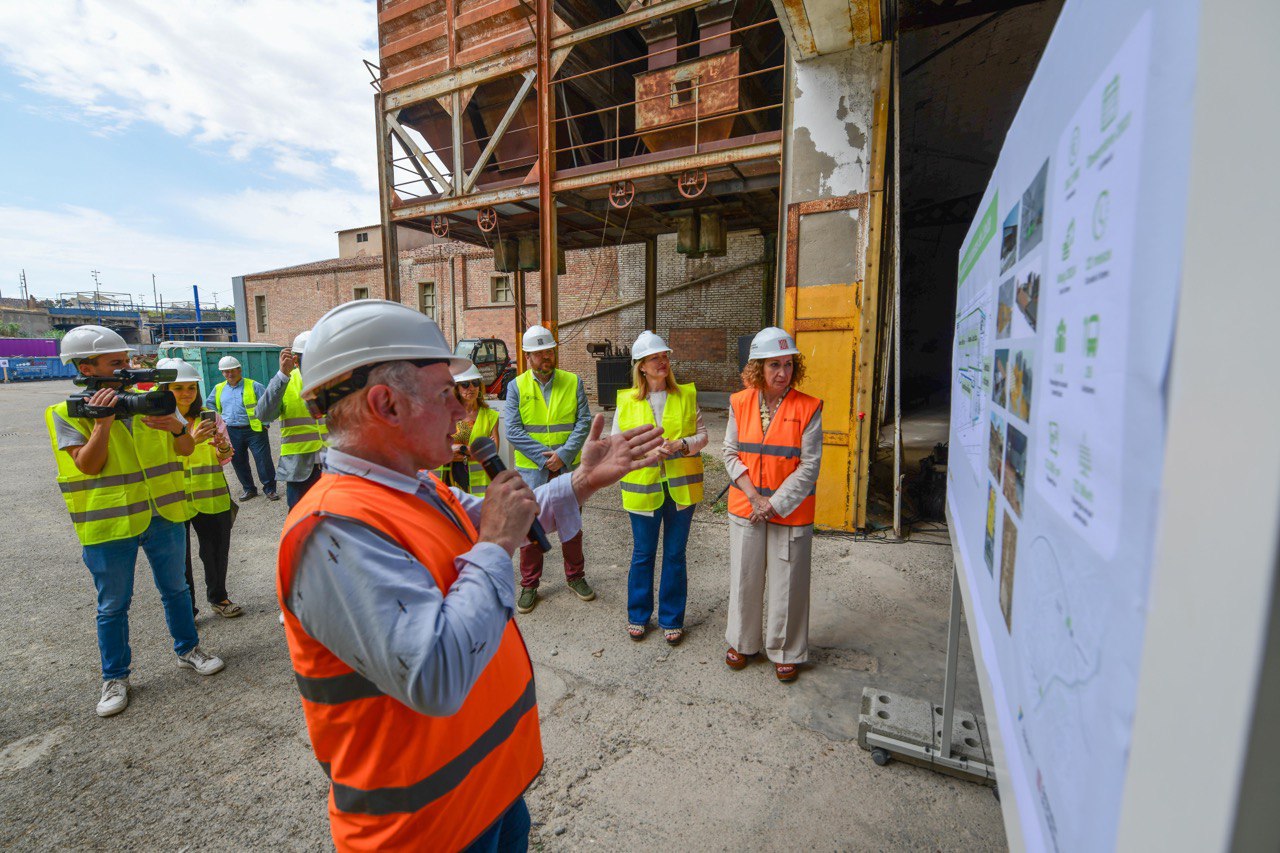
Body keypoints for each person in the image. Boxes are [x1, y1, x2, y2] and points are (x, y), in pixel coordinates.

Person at [276, 299, 662, 851]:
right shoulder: (332, 531)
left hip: (489, 795)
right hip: (428, 830)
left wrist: (582, 481)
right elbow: (434, 673)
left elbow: (504, 515)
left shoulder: (418, 487)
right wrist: (497, 544)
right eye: (445, 393)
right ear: (385, 403)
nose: (463, 410)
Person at [46, 325, 225, 718]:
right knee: (113, 604)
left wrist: (176, 427)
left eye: (126, 360)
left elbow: (185, 448)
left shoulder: (154, 401)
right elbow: (88, 465)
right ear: (86, 367)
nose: (126, 367)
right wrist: (103, 423)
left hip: (163, 513)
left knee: (176, 589)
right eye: (115, 362)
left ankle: (189, 649)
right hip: (110, 524)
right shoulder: (65, 413)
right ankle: (115, 677)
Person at [722, 327, 823, 683]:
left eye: (788, 364)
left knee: (788, 583)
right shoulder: (739, 402)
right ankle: (742, 642)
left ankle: (786, 650)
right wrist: (755, 497)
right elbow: (730, 453)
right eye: (774, 365)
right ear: (758, 368)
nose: (783, 372)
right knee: (745, 577)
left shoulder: (809, 407)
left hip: (790, 511)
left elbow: (809, 466)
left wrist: (774, 504)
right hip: (747, 507)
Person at [611, 331, 708, 645]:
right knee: (643, 553)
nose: (662, 361)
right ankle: (638, 615)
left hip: (681, 489)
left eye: (664, 356)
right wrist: (648, 451)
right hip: (643, 487)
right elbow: (616, 445)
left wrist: (682, 444)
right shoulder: (627, 401)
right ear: (641, 366)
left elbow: (703, 436)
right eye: (654, 358)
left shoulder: (685, 395)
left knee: (675, 554)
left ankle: (671, 618)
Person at [503, 324, 594, 614]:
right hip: (533, 471)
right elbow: (513, 430)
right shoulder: (516, 386)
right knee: (530, 529)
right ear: (528, 356)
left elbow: (584, 422)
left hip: (567, 469)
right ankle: (530, 584)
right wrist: (545, 459)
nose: (547, 357)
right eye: (540, 353)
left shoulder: (573, 381)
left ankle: (575, 576)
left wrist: (563, 455)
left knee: (571, 524)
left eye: (550, 351)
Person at [157, 358, 242, 619]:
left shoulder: (209, 416)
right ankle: (188, 609)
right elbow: (156, 458)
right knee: (179, 559)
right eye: (178, 388)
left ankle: (219, 597)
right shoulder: (158, 421)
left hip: (211, 494)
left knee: (215, 552)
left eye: (191, 387)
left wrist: (222, 446)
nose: (186, 393)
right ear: (165, 390)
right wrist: (191, 440)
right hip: (175, 499)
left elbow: (225, 456)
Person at [256, 331, 327, 509]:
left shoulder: (334, 379)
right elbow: (264, 415)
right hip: (299, 469)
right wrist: (282, 375)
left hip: (334, 467)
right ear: (296, 360)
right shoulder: (285, 382)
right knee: (299, 517)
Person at [206, 355, 278, 501]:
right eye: (226, 371)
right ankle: (249, 489)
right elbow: (210, 404)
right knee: (238, 461)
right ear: (222, 373)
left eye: (232, 370)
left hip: (255, 430)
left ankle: (270, 489)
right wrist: (220, 420)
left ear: (239, 369)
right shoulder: (218, 389)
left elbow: (268, 404)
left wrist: (265, 423)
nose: (230, 374)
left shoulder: (254, 386)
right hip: (231, 431)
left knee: (263, 461)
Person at [449, 360, 500, 496]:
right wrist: (476, 451)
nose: (471, 388)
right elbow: (439, 451)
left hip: (481, 485)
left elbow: (492, 453)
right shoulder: (447, 414)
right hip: (452, 481)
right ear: (457, 388)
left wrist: (459, 449)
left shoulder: (491, 416)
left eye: (475, 383)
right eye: (465, 384)